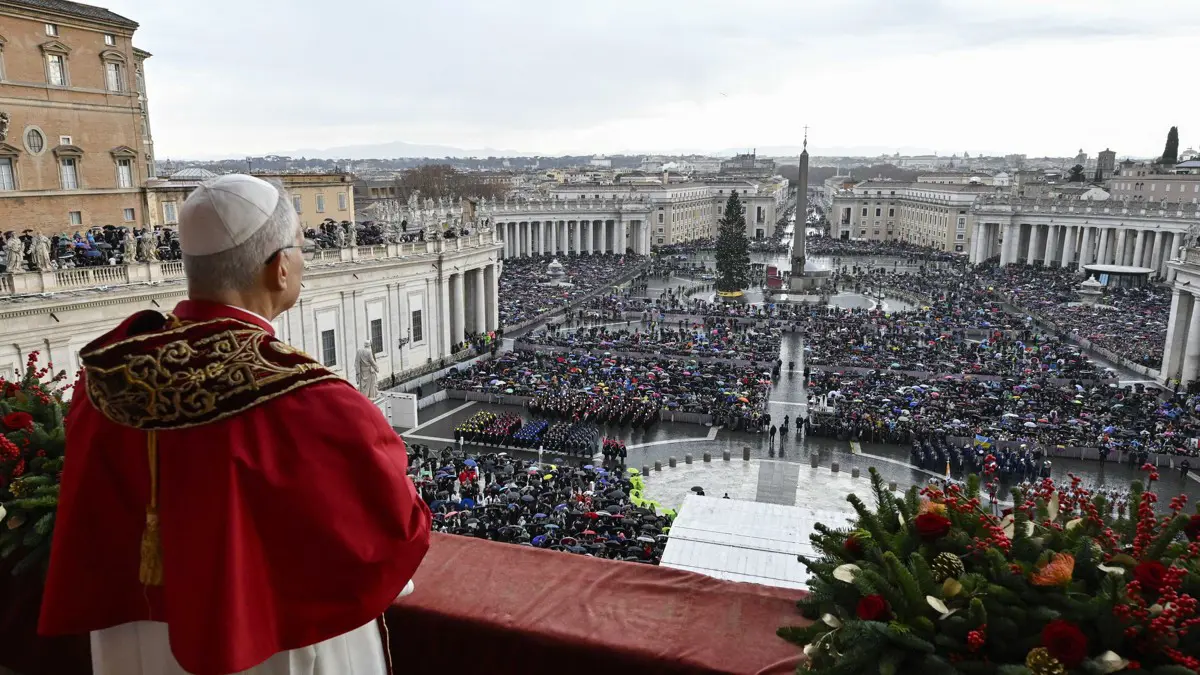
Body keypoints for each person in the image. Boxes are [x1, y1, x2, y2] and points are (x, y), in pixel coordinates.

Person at [39, 175, 432, 675]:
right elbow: (395, 530)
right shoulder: (314, 401)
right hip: (269, 639)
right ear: (280, 267)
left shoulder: (109, 378)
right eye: (301, 248)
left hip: (134, 638)